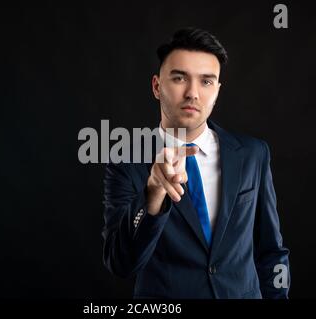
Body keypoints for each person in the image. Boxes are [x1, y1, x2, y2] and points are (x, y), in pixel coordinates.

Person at [102, 27, 290, 299]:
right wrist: (152, 198)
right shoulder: (126, 162)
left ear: (217, 91)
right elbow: (121, 264)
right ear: (157, 86)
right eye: (179, 78)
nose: (193, 93)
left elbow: (271, 251)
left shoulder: (253, 154)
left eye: (206, 81)